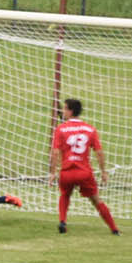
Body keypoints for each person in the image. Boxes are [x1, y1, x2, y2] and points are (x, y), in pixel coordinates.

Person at [51, 98, 119, 235]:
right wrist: (103, 171)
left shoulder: (61, 129)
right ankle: (114, 229)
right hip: (84, 172)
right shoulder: (90, 129)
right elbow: (99, 152)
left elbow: (55, 152)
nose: (62, 111)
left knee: (65, 195)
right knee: (96, 200)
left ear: (70, 111)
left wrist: (52, 172)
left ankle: (62, 221)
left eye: (64, 109)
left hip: (67, 172)